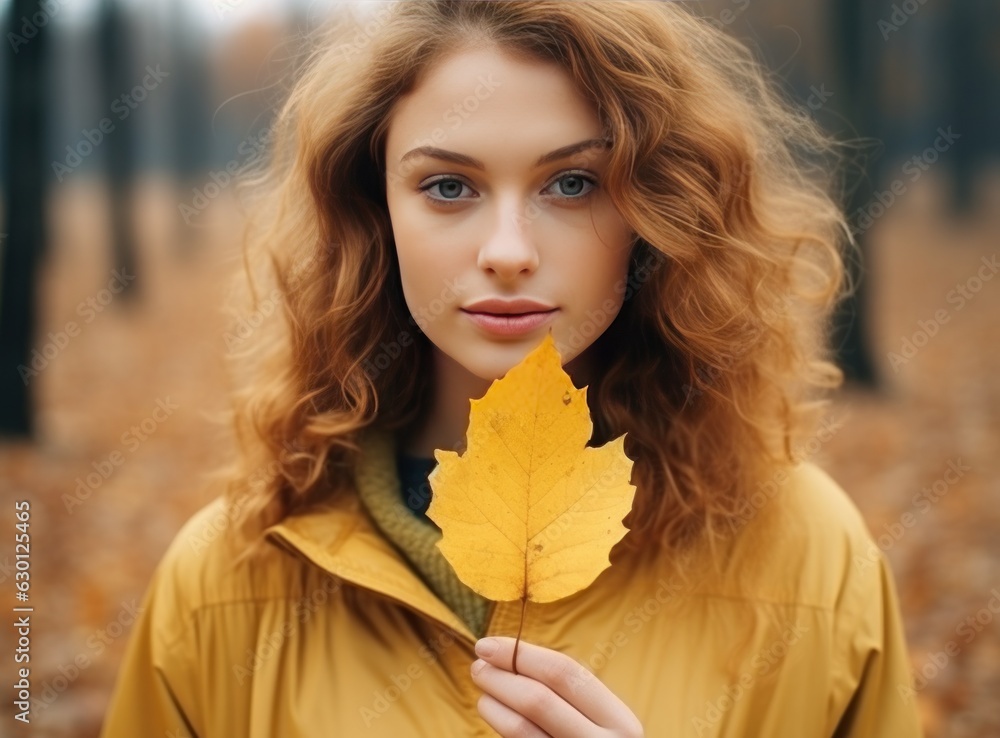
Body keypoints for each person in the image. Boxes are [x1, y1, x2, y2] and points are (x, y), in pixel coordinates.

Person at [99, 1, 925, 736]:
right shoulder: (223, 588)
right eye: (448, 187)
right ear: (373, 209)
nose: (507, 253)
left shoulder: (810, 562)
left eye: (572, 183)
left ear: (658, 210)